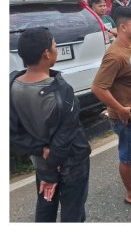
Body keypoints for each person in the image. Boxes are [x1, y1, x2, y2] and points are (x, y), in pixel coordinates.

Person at [10, 28, 91, 222]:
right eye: (55, 46)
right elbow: (65, 136)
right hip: (71, 164)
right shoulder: (61, 91)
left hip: (41, 161)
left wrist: (42, 157)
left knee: (46, 208)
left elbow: (11, 134)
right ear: (46, 53)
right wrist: (51, 174)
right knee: (73, 213)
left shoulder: (11, 84)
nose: (55, 49)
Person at [91, 6, 131, 208]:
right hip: (126, 115)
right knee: (127, 156)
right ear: (122, 27)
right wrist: (121, 109)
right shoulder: (114, 55)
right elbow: (97, 87)